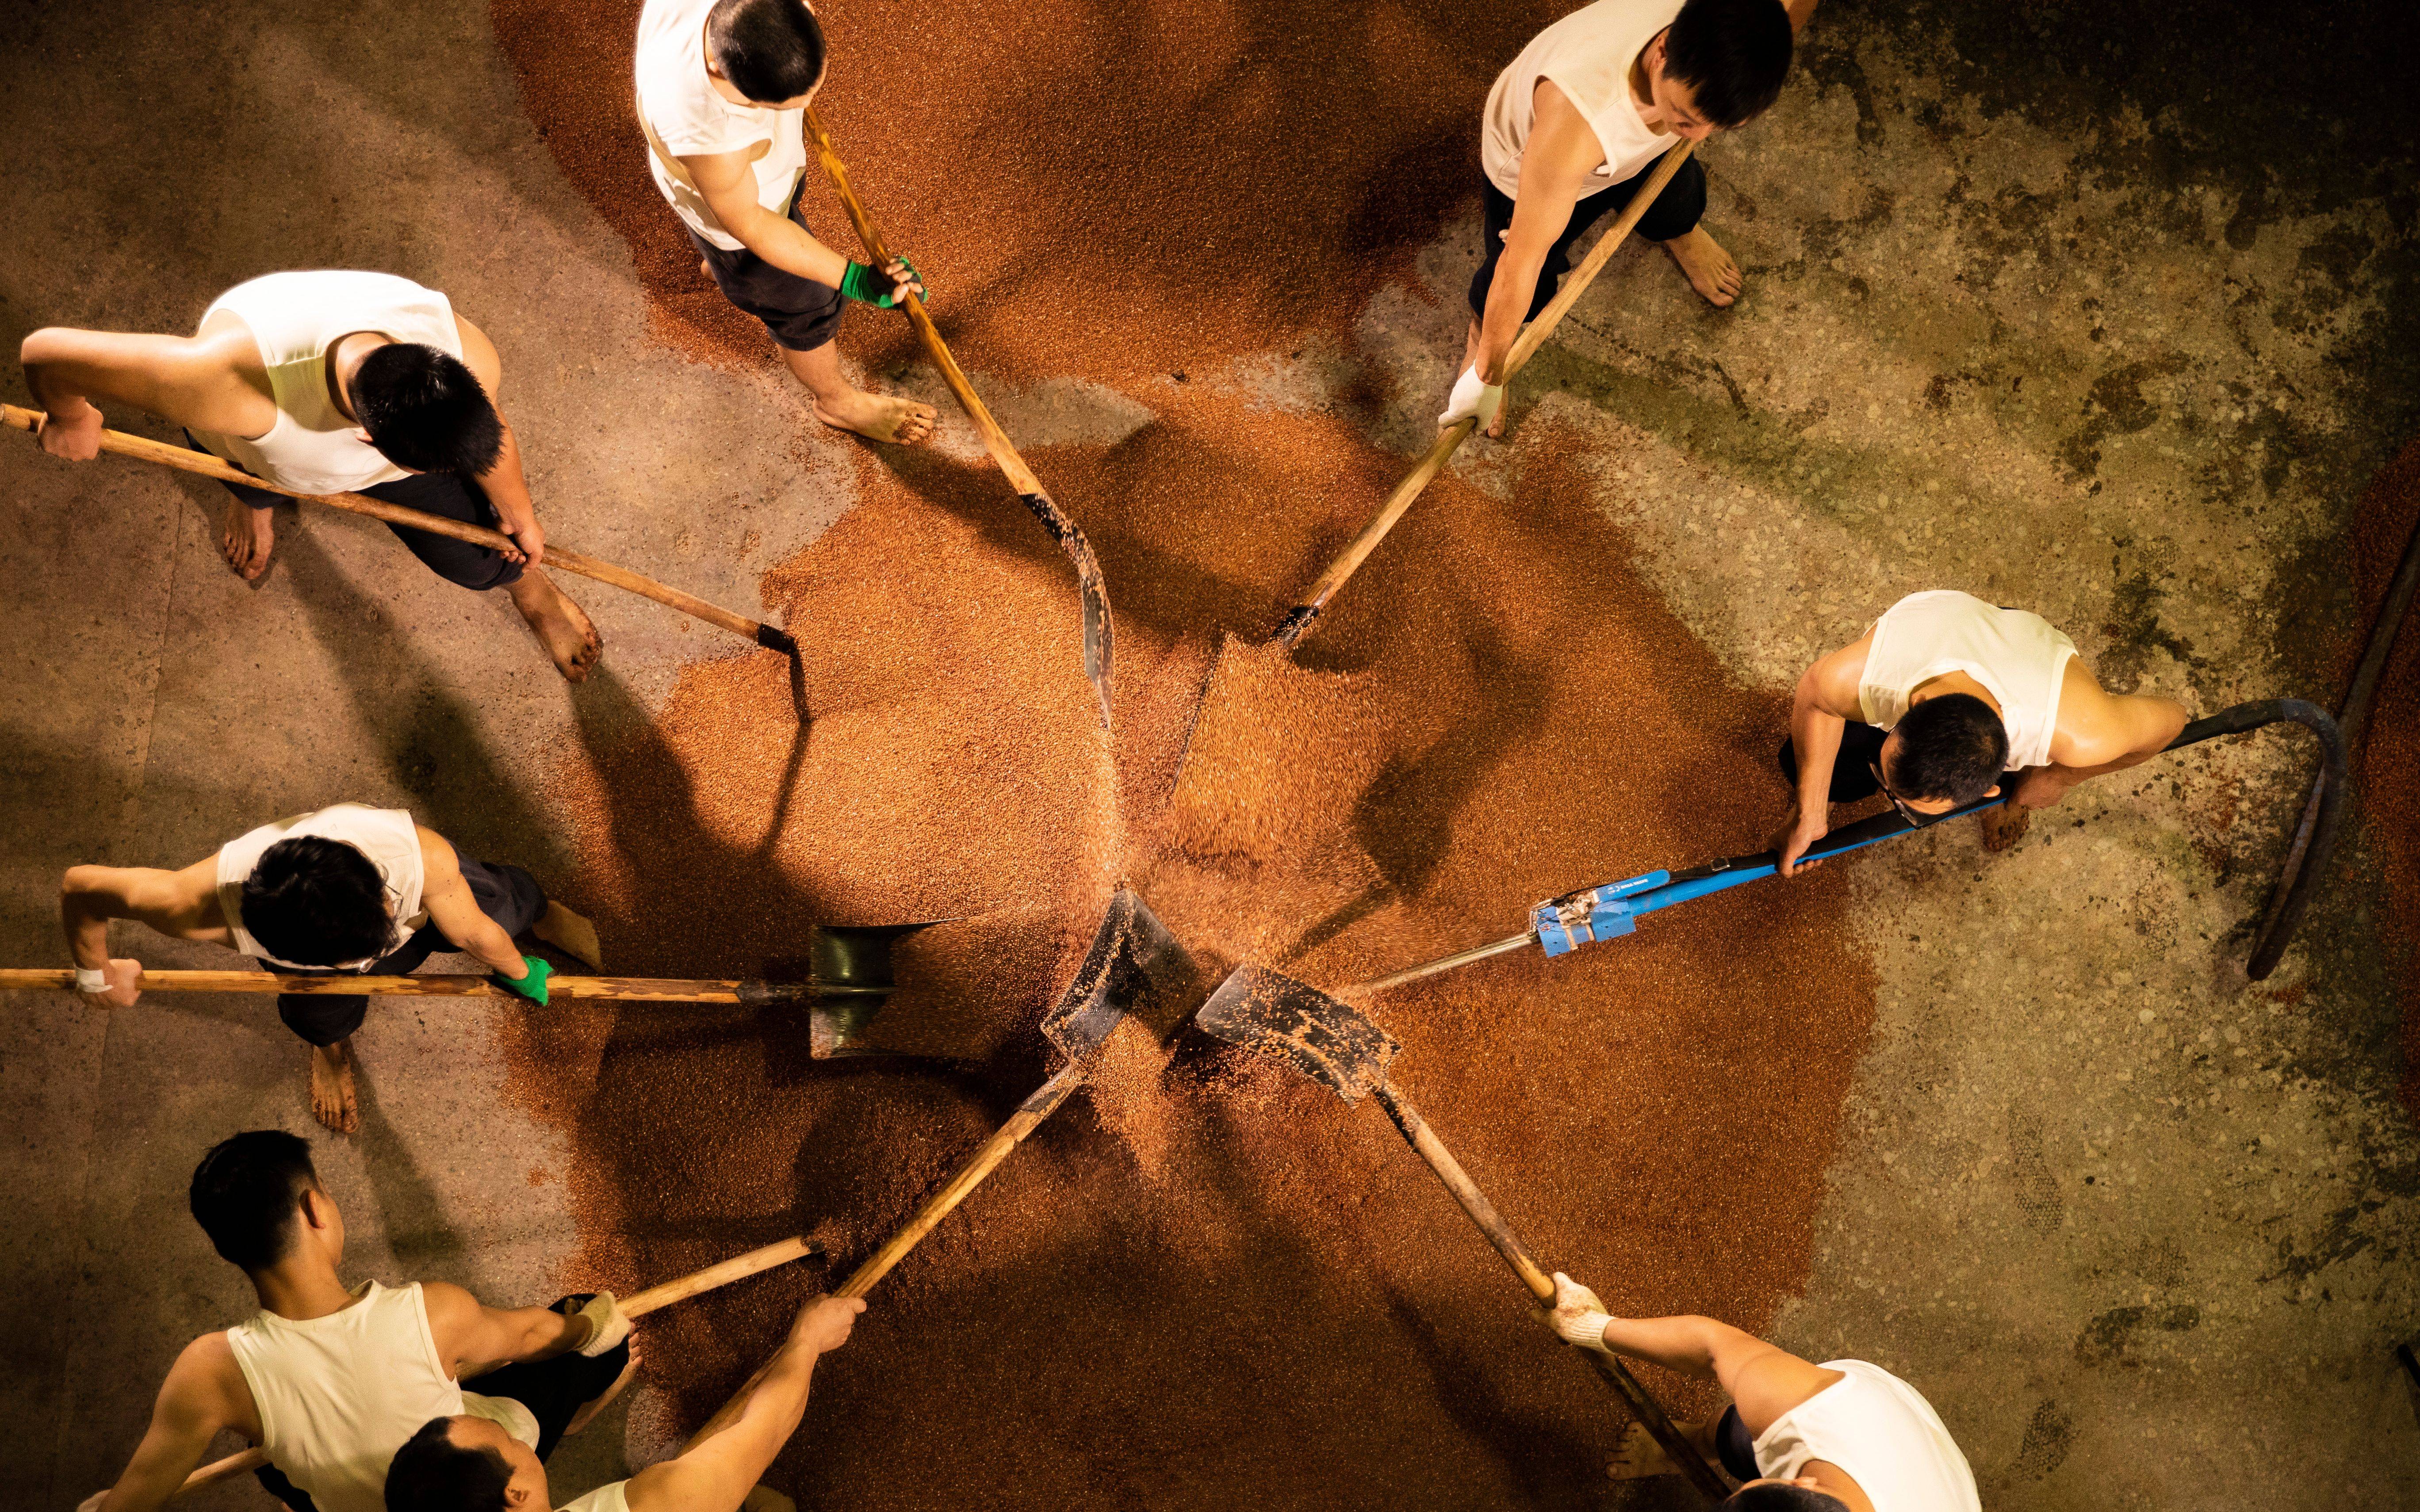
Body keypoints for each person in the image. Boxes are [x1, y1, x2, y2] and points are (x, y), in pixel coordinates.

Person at [21, 271, 603, 680]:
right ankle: (252, 497)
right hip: (254, 441)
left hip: (321, 449)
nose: (461, 475)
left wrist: (518, 513)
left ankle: (530, 590)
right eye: (436, 468)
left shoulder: (464, 352)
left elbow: (490, 430)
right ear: (368, 443)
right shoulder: (222, 388)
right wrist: (69, 415)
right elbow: (47, 352)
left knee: (485, 556)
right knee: (246, 467)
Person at [80, 1132, 636, 1512]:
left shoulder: (208, 1374)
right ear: (316, 1209)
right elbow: (538, 1336)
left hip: (335, 1498)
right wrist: (592, 1327)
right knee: (591, 1340)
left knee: (278, 1463)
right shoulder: (433, 1313)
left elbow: (136, 1498)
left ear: (231, 1251)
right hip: (459, 1487)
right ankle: (577, 1413)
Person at [60, 802, 598, 1132]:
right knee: (318, 1013)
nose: (369, 960)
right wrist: (94, 973)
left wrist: (520, 970)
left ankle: (544, 914)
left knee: (502, 906)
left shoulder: (417, 856)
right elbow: (81, 888)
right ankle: (330, 1049)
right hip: (313, 966)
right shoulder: (190, 906)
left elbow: (472, 932)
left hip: (430, 896)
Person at [1444, 0, 1813, 438]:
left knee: (1676, 189)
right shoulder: (1575, 124)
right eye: (1689, 119)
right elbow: (1521, 262)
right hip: (1539, 166)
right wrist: (1489, 374)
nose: (1701, 137)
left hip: (1637, 147)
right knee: (1531, 273)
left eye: (1721, 127)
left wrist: (1693, 113)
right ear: (1663, 49)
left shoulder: (1707, 57)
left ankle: (1678, 231)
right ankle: (1480, 341)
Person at [636, 0, 937, 446]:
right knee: (805, 303)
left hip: (759, 175)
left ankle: (727, 273)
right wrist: (852, 278)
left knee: (761, 236)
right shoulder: (708, 132)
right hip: (738, 213)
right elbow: (750, 224)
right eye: (777, 105)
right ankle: (836, 403)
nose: (806, 106)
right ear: (719, 69)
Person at [1776, 589, 2191, 874]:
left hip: (2033, 655)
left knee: (2041, 773)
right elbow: (1814, 698)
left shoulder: (2085, 732)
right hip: (1944, 622)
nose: (1888, 795)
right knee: (1811, 755)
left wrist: (2062, 777)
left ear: (1987, 790)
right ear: (1913, 708)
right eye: (1890, 780)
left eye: (1908, 807)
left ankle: (2018, 792)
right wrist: (1810, 810)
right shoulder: (1863, 679)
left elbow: (2174, 719)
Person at [383, 1290, 865, 1512]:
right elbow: (766, 1431)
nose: (520, 1435)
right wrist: (807, 1340)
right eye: (510, 1442)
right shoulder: (651, 1504)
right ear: (515, 1494)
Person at [1544, 1274, 1980, 1510]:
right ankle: (1697, 1443)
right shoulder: (1801, 1407)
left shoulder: (1807, 1457)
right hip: (1877, 1417)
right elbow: (1713, 1347)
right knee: (1740, 1436)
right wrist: (1596, 1329)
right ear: (1802, 1481)